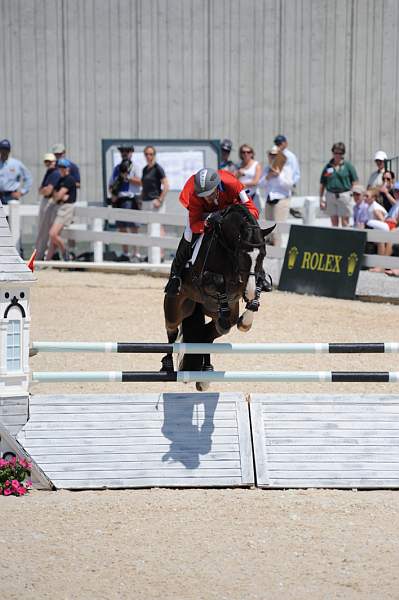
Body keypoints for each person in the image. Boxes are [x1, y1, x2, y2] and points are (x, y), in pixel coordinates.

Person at [164, 168, 259, 296]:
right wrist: (207, 223)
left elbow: (253, 210)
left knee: (252, 234)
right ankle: (175, 275)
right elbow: (194, 224)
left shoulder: (232, 184)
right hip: (205, 214)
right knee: (188, 235)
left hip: (231, 212)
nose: (207, 198)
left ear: (217, 186)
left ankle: (259, 275)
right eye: (203, 195)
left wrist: (235, 219)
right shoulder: (194, 195)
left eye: (209, 193)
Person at [109, 144, 142, 262]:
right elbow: (111, 184)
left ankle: (136, 254)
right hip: (120, 200)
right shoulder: (117, 168)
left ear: (131, 153)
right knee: (122, 227)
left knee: (134, 228)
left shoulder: (135, 167)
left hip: (132, 199)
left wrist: (127, 177)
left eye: (127, 151)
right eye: (122, 151)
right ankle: (125, 253)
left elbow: (140, 182)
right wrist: (113, 193)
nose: (124, 153)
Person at [260, 146, 294, 247]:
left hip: (281, 200)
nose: (273, 157)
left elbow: (289, 185)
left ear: (279, 156)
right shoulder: (267, 169)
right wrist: (268, 176)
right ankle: (271, 252)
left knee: (277, 229)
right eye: (271, 155)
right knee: (269, 228)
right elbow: (260, 184)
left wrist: (279, 175)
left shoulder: (286, 169)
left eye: (275, 155)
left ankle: (278, 252)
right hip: (269, 200)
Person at [319, 142, 359, 227]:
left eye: (339, 153)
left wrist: (352, 194)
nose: (337, 155)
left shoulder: (348, 166)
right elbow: (323, 183)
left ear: (343, 154)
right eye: (335, 153)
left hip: (344, 195)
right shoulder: (328, 167)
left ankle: (345, 239)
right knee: (334, 222)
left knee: (345, 221)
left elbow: (355, 181)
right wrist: (321, 198)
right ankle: (335, 239)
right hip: (330, 195)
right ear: (332, 153)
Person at [46, 159, 77, 261]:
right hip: (59, 207)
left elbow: (58, 195)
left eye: (63, 167)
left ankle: (65, 251)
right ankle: (47, 262)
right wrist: (58, 196)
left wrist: (58, 196)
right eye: (60, 167)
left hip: (65, 208)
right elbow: (53, 194)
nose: (61, 169)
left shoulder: (69, 179)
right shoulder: (61, 179)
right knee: (53, 238)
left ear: (67, 168)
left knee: (53, 234)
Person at [35, 153, 61, 259]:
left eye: (50, 161)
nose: (48, 164)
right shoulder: (49, 172)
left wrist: (43, 190)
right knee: (44, 230)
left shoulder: (54, 173)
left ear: (55, 162)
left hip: (50, 201)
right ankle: (44, 255)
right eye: (47, 162)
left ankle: (41, 256)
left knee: (45, 230)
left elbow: (47, 191)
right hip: (48, 201)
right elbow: (41, 190)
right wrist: (43, 190)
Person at [0, 138, 32, 205]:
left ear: (9, 150)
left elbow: (28, 178)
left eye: (6, 149)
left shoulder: (16, 164)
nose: (4, 151)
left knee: (12, 215)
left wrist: (21, 192)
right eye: (2, 149)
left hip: (10, 196)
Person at [236, 144, 262, 213]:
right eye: (243, 152)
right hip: (241, 197)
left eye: (248, 152)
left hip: (253, 196)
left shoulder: (256, 165)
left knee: (255, 218)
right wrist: (238, 174)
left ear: (252, 153)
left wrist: (242, 185)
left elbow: (255, 182)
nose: (246, 154)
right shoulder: (238, 165)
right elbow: (234, 180)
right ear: (241, 154)